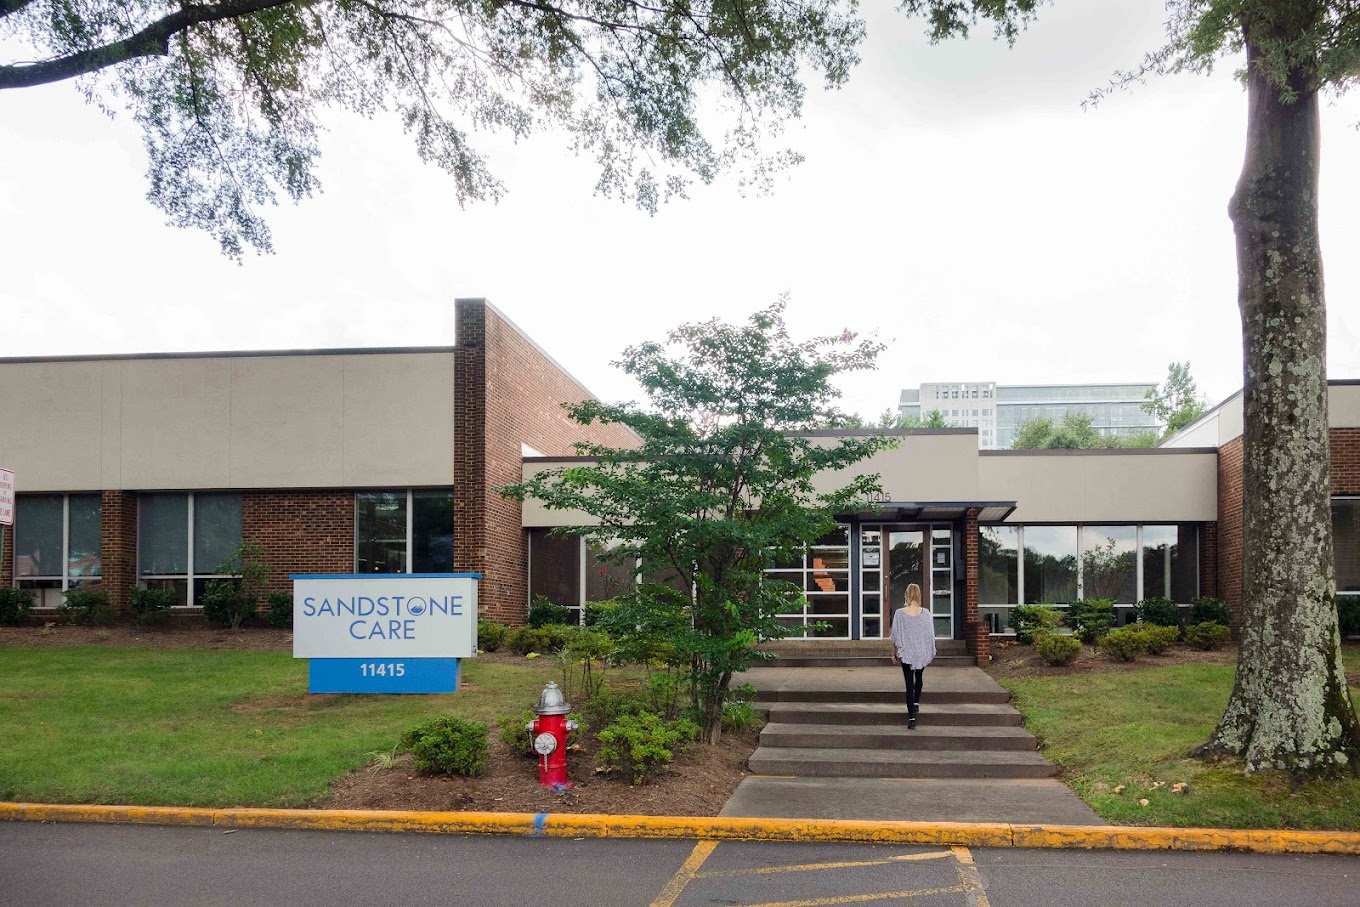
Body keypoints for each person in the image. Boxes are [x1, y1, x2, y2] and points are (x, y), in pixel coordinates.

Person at [889, 582, 936, 729]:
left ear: (907, 595)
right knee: (919, 677)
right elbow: (930, 634)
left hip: (907, 653)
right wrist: (930, 649)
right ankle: (916, 702)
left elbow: (895, 636)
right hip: (921, 652)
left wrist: (894, 653)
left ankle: (911, 719)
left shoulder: (899, 614)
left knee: (909, 685)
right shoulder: (926, 613)